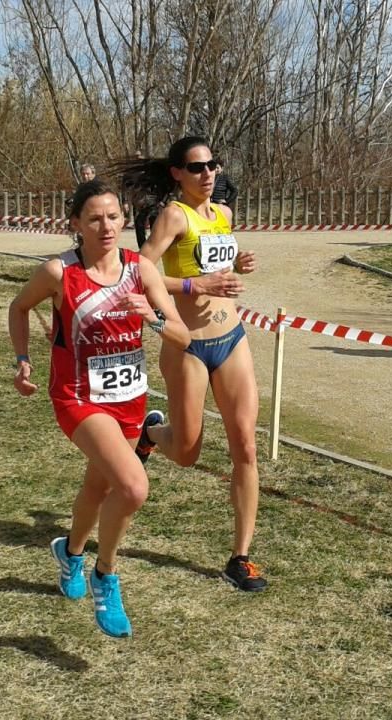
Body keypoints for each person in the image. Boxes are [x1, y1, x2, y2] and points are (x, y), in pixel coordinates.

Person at [7, 179, 190, 638]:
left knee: (99, 486)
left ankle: (69, 553)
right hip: (77, 397)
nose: (105, 225)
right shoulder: (59, 273)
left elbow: (182, 336)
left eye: (113, 216)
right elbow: (18, 307)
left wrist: (151, 315)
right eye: (94, 218)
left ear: (124, 221)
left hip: (129, 400)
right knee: (132, 487)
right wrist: (23, 360)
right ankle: (104, 575)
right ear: (76, 224)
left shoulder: (140, 271)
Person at [116, 136, 268, 592]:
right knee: (186, 454)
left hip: (232, 338)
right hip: (188, 345)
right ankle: (152, 434)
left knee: (245, 445)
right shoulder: (173, 216)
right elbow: (139, 271)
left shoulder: (222, 215)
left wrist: (237, 264)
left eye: (213, 166)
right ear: (177, 174)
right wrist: (193, 287)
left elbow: (220, 270)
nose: (208, 175)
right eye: (197, 168)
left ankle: (240, 558)